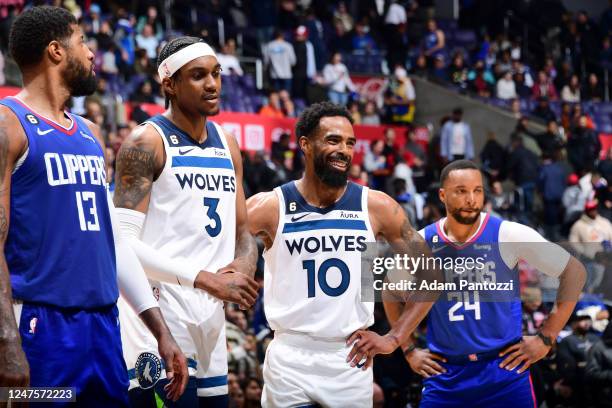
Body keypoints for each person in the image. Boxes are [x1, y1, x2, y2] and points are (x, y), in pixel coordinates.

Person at [0, 6, 188, 405]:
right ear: (55, 51)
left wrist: (160, 329)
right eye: (82, 41)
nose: (90, 54)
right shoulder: (8, 124)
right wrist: (7, 340)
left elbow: (112, 241)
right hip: (39, 327)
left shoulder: (90, 133)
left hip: (103, 326)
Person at [246, 102, 435, 407]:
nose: (344, 150)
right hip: (290, 356)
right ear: (305, 144)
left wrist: (395, 338)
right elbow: (220, 248)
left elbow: (431, 274)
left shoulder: (377, 206)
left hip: (349, 356)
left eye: (350, 143)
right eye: (333, 140)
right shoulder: (270, 205)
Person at [112, 36, 259, 406]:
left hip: (209, 315)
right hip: (157, 313)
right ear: (169, 85)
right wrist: (205, 279)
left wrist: (242, 268)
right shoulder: (147, 142)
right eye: (197, 75)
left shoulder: (228, 143)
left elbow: (242, 231)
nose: (212, 84)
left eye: (215, 73)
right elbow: (121, 243)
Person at [386, 160, 586, 406]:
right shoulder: (422, 243)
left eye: (477, 191)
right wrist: (409, 349)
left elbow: (574, 272)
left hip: (504, 370)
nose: (471, 199)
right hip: (446, 376)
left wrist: (546, 337)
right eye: (461, 191)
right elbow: (390, 292)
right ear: (442, 195)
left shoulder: (507, 234)